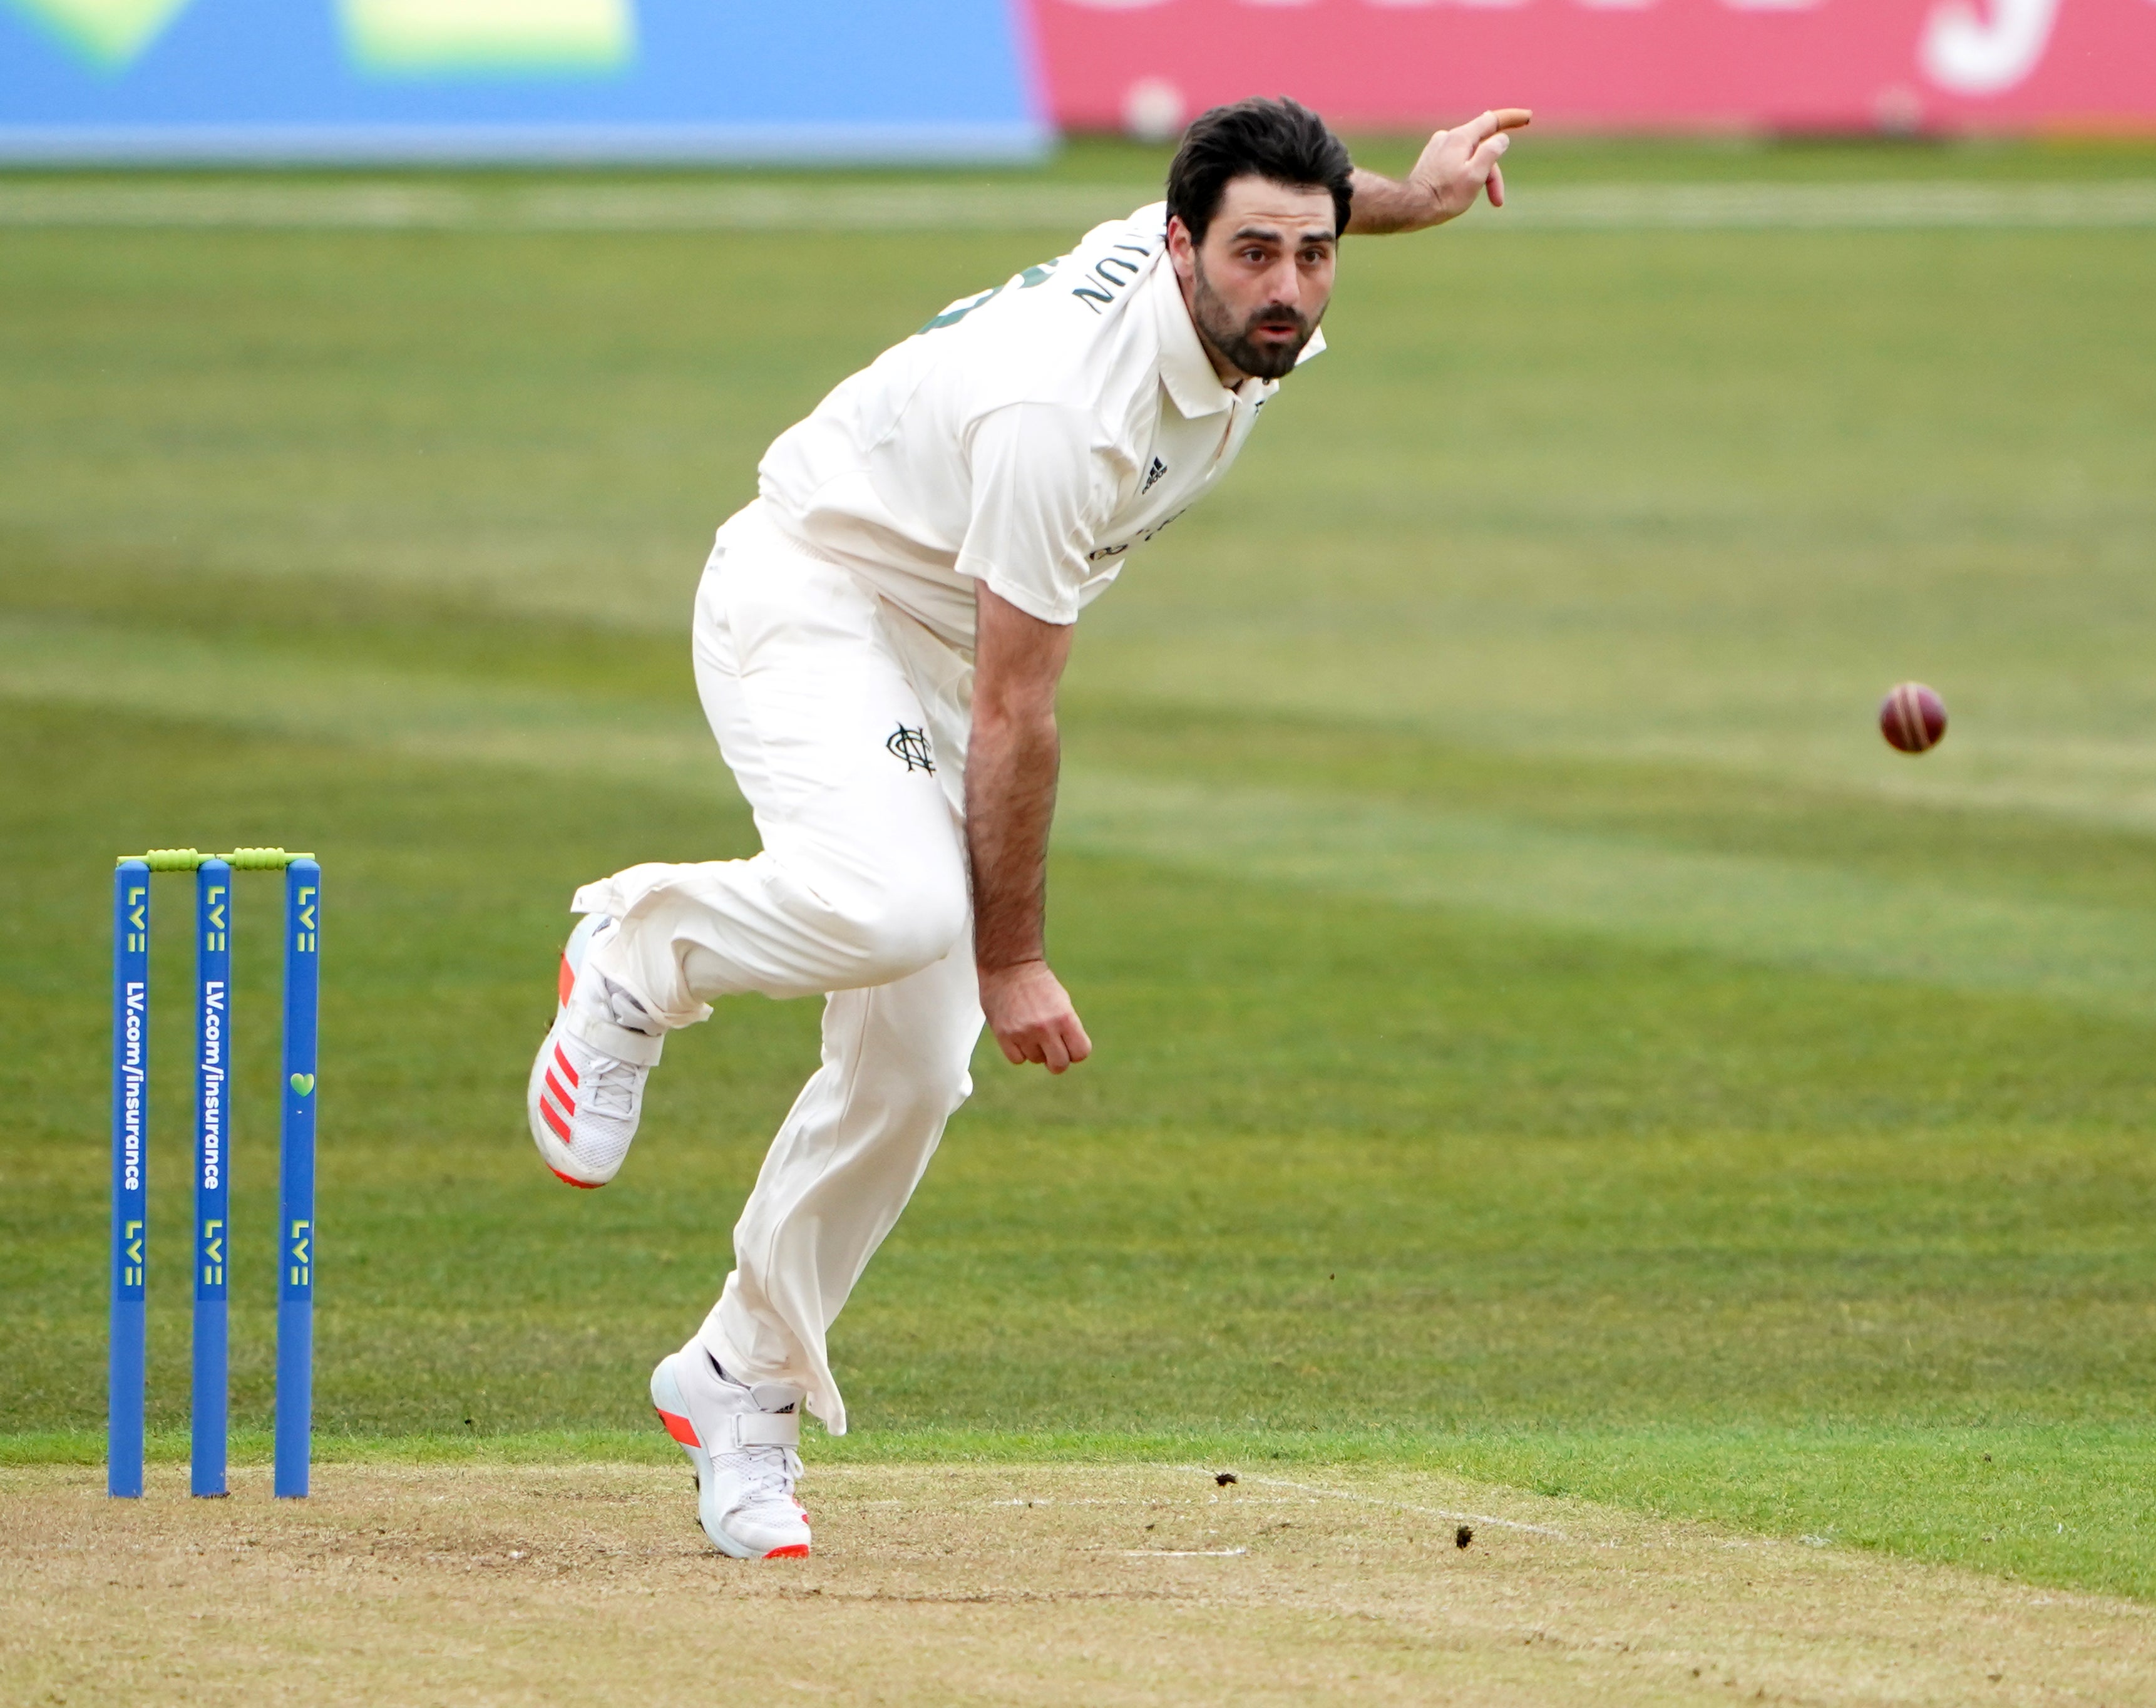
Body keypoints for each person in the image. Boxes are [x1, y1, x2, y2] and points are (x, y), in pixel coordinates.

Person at [525, 97, 1529, 1560]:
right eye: (1257, 257)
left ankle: (740, 1382)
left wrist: (1417, 201)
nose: (1291, 289)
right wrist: (1017, 959)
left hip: (932, 649)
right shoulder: (1073, 417)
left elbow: (1297, 202)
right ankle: (636, 954)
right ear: (1180, 244)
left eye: (1315, 258)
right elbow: (1018, 717)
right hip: (816, 598)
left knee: (912, 1071)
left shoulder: (1249, 291)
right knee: (900, 915)